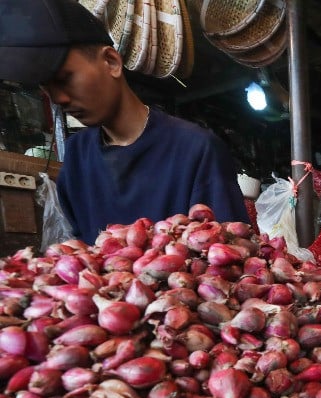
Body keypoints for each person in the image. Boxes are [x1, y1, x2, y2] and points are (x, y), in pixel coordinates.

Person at [0, 0, 249, 245]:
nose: (58, 98)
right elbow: (82, 253)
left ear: (111, 62)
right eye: (47, 88)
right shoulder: (76, 156)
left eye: (65, 79)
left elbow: (230, 251)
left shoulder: (197, 149)